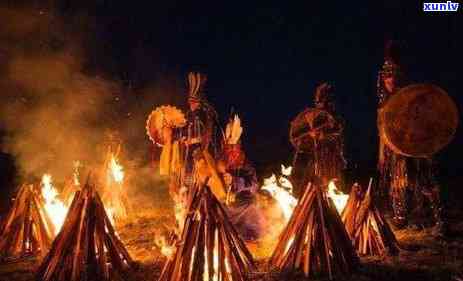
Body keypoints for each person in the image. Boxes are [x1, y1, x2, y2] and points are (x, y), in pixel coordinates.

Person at [376, 42, 444, 234]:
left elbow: (424, 120)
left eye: (394, 77)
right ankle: (400, 217)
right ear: (383, 80)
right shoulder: (383, 104)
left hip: (415, 145)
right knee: (397, 182)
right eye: (388, 77)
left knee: (425, 181)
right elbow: (383, 130)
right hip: (394, 149)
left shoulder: (411, 98)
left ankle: (439, 219)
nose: (391, 81)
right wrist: (383, 152)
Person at [292, 82, 346, 195]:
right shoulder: (314, 116)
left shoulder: (335, 118)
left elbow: (337, 132)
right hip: (315, 156)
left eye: (322, 99)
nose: (320, 103)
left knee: (331, 183)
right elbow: (301, 136)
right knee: (315, 182)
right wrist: (310, 136)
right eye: (318, 100)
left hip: (330, 157)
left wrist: (323, 135)